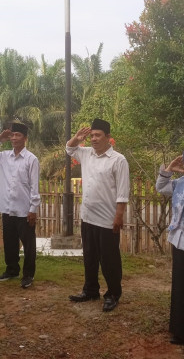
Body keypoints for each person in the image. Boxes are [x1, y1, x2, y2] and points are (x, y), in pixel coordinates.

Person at [66, 118, 130, 312]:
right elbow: (68, 149)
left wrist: (118, 217)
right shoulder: (86, 154)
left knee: (109, 260)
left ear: (108, 137)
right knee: (90, 257)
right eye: (91, 135)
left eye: (97, 135)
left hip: (107, 220)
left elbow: (122, 192)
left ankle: (113, 294)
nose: (93, 139)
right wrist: (77, 138)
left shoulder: (118, 160)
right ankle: (91, 290)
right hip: (88, 217)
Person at [0, 122, 40, 289]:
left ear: (25, 138)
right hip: (7, 208)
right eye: (12, 135)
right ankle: (12, 269)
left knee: (28, 245)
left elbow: (34, 187)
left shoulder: (31, 159)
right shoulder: (3, 157)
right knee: (9, 242)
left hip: (24, 210)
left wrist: (33, 209)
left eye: (18, 135)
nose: (14, 138)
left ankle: (28, 275)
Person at [156, 155, 184, 345]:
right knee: (180, 284)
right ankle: (180, 330)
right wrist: (168, 171)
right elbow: (161, 187)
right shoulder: (179, 183)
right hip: (180, 240)